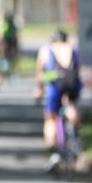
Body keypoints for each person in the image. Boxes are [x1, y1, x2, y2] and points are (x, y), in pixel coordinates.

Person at [34, 29, 83, 168]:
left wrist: (39, 89)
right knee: (72, 107)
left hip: (56, 84)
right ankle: (75, 136)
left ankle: (54, 151)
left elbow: (40, 72)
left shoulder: (46, 49)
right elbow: (78, 70)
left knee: (50, 118)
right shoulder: (73, 49)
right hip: (72, 83)